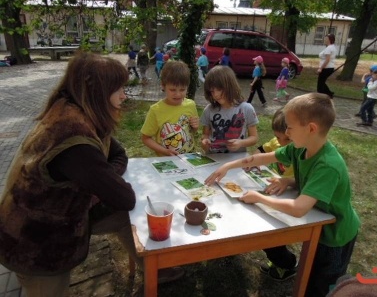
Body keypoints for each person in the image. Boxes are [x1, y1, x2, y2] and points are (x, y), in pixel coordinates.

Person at [0, 52, 183, 297]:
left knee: (121, 216)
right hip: (36, 241)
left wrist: (105, 175)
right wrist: (106, 179)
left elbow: (119, 154)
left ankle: (156, 269)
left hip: (56, 218)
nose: (124, 95)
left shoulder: (75, 111)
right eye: (118, 89)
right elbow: (124, 197)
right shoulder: (75, 140)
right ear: (97, 92)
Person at [205, 93, 360, 297]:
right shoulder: (300, 148)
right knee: (309, 275)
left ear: (311, 128)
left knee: (323, 284)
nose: (286, 132)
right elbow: (263, 158)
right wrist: (229, 165)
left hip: (336, 234)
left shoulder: (328, 164)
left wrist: (259, 198)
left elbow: (298, 208)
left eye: (290, 127)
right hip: (318, 223)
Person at [141, 60, 199, 156]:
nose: (178, 94)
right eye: (172, 90)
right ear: (163, 86)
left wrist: (195, 127)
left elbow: (191, 131)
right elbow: (145, 138)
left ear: (187, 87)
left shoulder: (191, 105)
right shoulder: (156, 110)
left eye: (182, 89)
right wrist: (165, 151)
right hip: (167, 161)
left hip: (190, 158)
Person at [200, 65, 259, 154]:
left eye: (219, 89)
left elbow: (254, 138)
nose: (215, 95)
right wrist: (205, 141)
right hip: (213, 158)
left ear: (230, 85)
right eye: (212, 91)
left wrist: (241, 143)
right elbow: (205, 134)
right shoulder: (209, 110)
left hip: (237, 159)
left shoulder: (246, 109)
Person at [253, 108, 293, 177]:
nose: (282, 143)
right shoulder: (275, 142)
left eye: (288, 139)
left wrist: (287, 182)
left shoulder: (300, 152)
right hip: (271, 178)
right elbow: (261, 149)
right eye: (278, 137)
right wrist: (255, 161)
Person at [317, 34, 336, 98]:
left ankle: (324, 96)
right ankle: (329, 94)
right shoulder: (332, 47)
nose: (325, 40)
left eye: (326, 39)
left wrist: (321, 68)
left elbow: (327, 60)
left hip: (326, 68)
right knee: (322, 83)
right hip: (329, 67)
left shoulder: (329, 48)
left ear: (330, 40)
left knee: (320, 85)